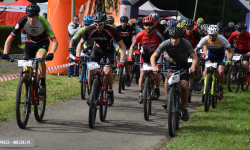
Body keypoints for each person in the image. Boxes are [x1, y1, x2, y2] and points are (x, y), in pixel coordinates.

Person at [2, 4, 58, 97]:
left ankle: (43, 83)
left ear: (38, 16)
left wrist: (51, 53)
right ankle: (26, 96)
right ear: (27, 15)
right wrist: (5, 53)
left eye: (34, 17)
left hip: (42, 42)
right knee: (25, 72)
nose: (31, 19)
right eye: (29, 16)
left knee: (40, 58)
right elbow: (10, 38)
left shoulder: (44, 21)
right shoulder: (23, 21)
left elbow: (54, 41)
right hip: (30, 43)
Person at [75, 12, 126, 106]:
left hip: (109, 50)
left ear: (105, 22)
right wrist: (78, 56)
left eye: (100, 23)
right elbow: (80, 43)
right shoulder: (90, 28)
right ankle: (91, 93)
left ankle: (110, 91)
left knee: (106, 72)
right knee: (91, 70)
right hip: (97, 49)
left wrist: (121, 61)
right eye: (96, 23)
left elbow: (122, 46)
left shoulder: (111, 29)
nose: (97, 26)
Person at [150, 27, 198, 121]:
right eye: (172, 37)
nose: (174, 40)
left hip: (183, 64)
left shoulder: (185, 43)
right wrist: (153, 67)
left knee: (184, 85)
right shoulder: (166, 43)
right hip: (170, 63)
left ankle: (184, 109)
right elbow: (153, 56)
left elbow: (195, 57)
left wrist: (192, 67)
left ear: (180, 38)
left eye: (176, 38)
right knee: (168, 76)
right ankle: (169, 99)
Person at [127, 16, 165, 103]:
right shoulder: (140, 34)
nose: (148, 27)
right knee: (142, 74)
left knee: (156, 72)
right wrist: (130, 58)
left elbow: (165, 45)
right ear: (143, 25)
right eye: (146, 25)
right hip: (145, 55)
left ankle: (156, 87)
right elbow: (132, 46)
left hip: (156, 56)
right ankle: (141, 94)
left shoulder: (157, 34)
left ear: (153, 25)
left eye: (150, 25)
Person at [194, 25, 234, 100]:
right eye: (210, 35)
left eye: (213, 35)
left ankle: (220, 89)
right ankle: (206, 86)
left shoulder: (221, 39)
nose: (211, 37)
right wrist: (195, 58)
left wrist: (229, 59)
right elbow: (196, 49)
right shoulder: (205, 39)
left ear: (217, 34)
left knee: (221, 71)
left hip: (220, 55)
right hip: (211, 55)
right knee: (206, 69)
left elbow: (231, 50)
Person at [115, 16, 135, 87]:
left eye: (125, 22)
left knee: (127, 60)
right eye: (122, 22)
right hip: (119, 46)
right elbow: (114, 38)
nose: (123, 23)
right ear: (120, 22)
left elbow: (133, 38)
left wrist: (134, 46)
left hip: (128, 47)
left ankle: (128, 76)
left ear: (127, 23)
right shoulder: (117, 29)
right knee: (117, 54)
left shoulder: (130, 28)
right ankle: (117, 68)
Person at [183, 19, 201, 89]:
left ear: (193, 27)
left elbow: (202, 42)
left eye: (190, 28)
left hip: (194, 51)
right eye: (187, 28)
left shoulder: (196, 34)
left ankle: (196, 79)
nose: (189, 30)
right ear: (185, 28)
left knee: (196, 64)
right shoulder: (182, 33)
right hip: (185, 51)